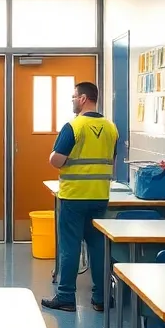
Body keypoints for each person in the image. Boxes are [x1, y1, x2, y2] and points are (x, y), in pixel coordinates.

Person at [41, 81, 119, 313]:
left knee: (70, 246)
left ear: (84, 98)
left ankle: (65, 297)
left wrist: (55, 156)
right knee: (97, 246)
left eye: (74, 97)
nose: (73, 101)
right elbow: (111, 160)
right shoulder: (111, 128)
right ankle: (102, 298)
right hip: (99, 196)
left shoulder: (74, 127)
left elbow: (57, 160)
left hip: (74, 196)